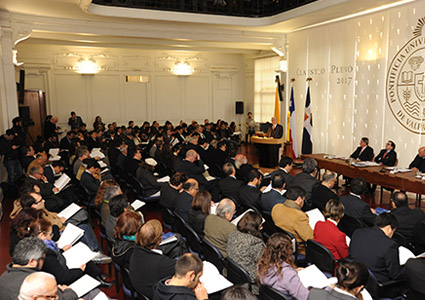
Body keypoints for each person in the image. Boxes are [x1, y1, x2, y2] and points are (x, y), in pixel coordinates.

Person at [31, 218, 113, 287]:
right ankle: (99, 279)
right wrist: (80, 270)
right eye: (50, 234)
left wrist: (62, 250)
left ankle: (99, 278)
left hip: (62, 264)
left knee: (80, 253)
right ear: (42, 235)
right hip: (64, 277)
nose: (51, 237)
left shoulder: (39, 245)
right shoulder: (47, 255)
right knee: (82, 259)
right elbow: (62, 277)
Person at [0, 237, 78, 300]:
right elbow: (65, 298)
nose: (44, 262)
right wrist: (68, 291)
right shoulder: (35, 282)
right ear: (32, 262)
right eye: (43, 259)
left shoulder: (3, 277)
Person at [129, 219, 177, 299]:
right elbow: (182, 268)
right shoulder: (161, 263)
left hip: (143, 290)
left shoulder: (134, 252)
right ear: (159, 241)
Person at [349, 212, 403, 282]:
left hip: (355, 274)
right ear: (389, 228)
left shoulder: (358, 232)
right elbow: (395, 274)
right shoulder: (390, 245)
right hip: (376, 283)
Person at [257, 233, 309, 300]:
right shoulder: (289, 275)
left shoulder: (262, 264)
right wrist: (326, 288)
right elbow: (305, 297)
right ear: (288, 251)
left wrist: (294, 271)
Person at [227, 211, 265, 294]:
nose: (261, 227)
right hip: (252, 283)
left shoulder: (232, 234)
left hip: (234, 274)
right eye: (260, 225)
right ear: (255, 227)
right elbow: (264, 263)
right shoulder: (256, 243)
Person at [272, 186, 313, 255]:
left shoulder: (276, 207)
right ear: (300, 199)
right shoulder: (299, 216)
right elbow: (310, 239)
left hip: (280, 243)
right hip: (298, 249)